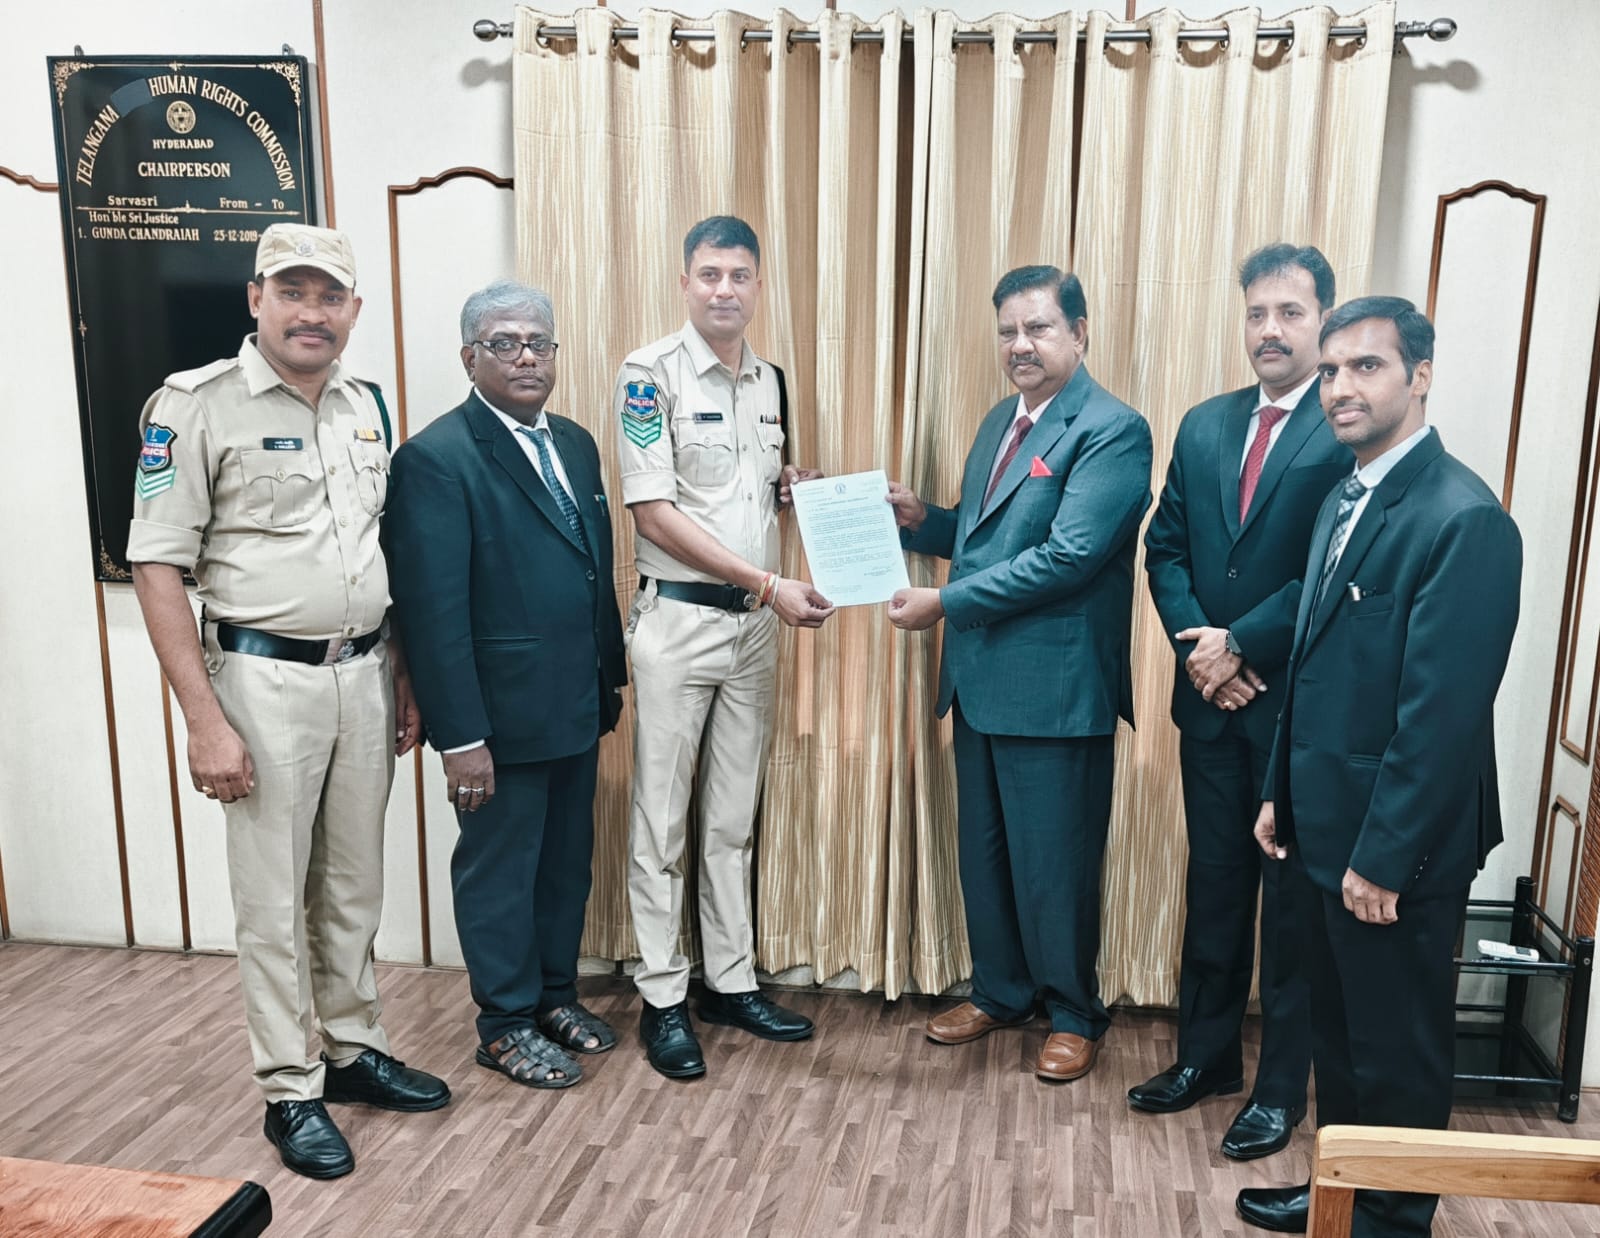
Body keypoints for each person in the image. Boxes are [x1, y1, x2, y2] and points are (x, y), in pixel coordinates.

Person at [127, 223, 449, 1181]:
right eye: (293, 292)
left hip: (363, 673)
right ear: (256, 299)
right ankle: (289, 1088)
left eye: (329, 296)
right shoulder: (195, 406)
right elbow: (156, 564)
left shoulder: (364, 404)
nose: (313, 312)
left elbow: (376, 552)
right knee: (272, 898)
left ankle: (351, 1050)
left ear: (353, 309)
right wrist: (205, 720)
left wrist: (401, 669)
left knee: (353, 884)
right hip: (261, 683)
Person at [1236, 297, 1522, 1236]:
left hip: (1398, 850)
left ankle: (1392, 1221)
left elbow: (1440, 722)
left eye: (1367, 366)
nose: (1340, 387)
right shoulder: (1343, 496)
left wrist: (1382, 860)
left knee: (1397, 1050)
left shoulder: (1464, 518)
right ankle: (1343, 1193)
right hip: (1323, 824)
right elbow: (1313, 664)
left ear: (1421, 376)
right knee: (1341, 1037)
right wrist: (1279, 791)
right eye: (1330, 370)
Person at [887, 264, 1152, 1083]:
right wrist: (921, 520)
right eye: (1007, 330)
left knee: (1056, 864)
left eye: (1038, 328)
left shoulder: (1113, 429)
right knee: (988, 855)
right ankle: (1001, 992)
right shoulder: (1001, 420)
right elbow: (986, 538)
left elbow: (1069, 556)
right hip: (980, 682)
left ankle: (1073, 1013)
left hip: (1056, 688)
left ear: (1080, 333)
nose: (1019, 345)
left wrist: (943, 603)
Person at [1134, 244, 1351, 1159]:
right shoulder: (1205, 424)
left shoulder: (1343, 426)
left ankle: (1278, 1091)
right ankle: (1206, 1057)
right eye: (1258, 312)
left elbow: (1333, 566)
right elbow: (1165, 549)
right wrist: (1203, 652)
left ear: (1323, 321)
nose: (1270, 329)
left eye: (1290, 312)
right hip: (1209, 702)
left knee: (1290, 908)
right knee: (1214, 886)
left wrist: (1243, 645)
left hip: (1293, 711)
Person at [385, 281, 628, 1091]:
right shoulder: (435, 459)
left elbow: (591, 573)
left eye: (539, 343)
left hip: (575, 704)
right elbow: (433, 613)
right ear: (470, 357)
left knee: (564, 867)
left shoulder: (577, 445)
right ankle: (504, 1024)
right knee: (499, 875)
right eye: (505, 343)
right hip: (494, 722)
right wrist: (460, 737)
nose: (527, 357)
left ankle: (554, 997)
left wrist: (608, 683)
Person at [615, 215, 833, 1079]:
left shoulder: (769, 379)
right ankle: (663, 997)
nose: (724, 290)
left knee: (733, 816)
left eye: (740, 276)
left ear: (757, 285)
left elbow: (744, 490)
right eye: (709, 274)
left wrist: (790, 488)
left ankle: (730, 981)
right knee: (662, 819)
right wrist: (770, 582)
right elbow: (653, 513)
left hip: (752, 630)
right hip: (680, 625)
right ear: (685, 282)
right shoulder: (649, 375)